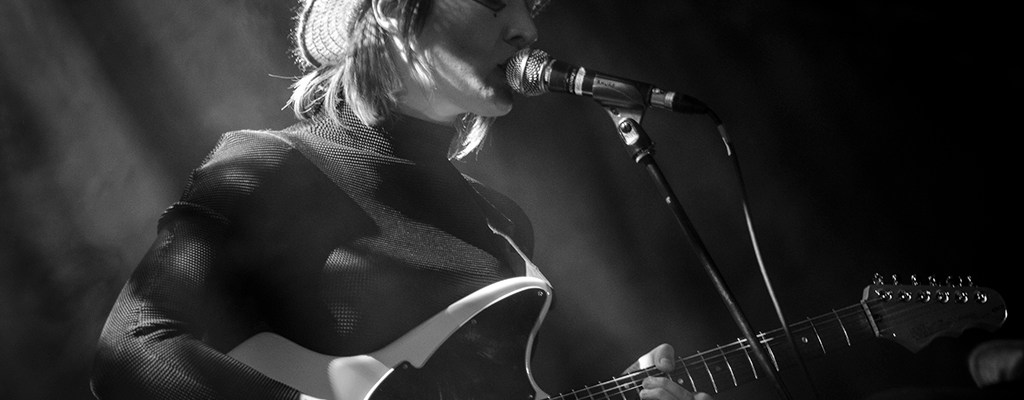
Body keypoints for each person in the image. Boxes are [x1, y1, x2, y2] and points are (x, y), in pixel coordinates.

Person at [90, 1, 712, 399]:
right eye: (497, 0)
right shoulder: (273, 166)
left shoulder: (504, 221)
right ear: (392, 9)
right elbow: (132, 349)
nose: (527, 25)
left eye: (530, 4)